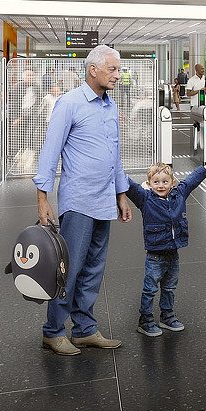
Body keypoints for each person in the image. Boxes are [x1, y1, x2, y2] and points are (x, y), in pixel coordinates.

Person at [34, 45, 132, 356]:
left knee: (93, 268)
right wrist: (42, 198)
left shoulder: (110, 106)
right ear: (93, 70)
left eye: (118, 69)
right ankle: (53, 331)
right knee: (70, 269)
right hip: (78, 201)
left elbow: (115, 155)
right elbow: (50, 152)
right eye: (113, 69)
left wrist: (121, 194)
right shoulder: (70, 103)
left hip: (104, 199)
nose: (118, 75)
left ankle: (85, 329)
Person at [125, 159, 206, 336]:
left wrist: (205, 169)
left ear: (172, 182)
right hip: (155, 256)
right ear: (149, 184)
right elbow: (130, 186)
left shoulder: (179, 194)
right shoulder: (145, 198)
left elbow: (191, 181)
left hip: (173, 254)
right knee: (150, 289)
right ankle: (145, 320)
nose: (160, 185)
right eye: (156, 182)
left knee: (169, 288)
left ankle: (167, 316)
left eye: (165, 181)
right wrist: (114, 170)